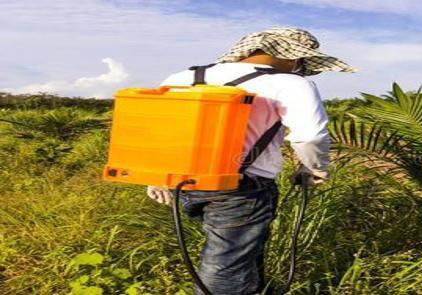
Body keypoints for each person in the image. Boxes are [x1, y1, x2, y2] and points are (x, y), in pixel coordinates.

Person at [145, 27, 356, 295]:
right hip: (242, 188)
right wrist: (314, 168)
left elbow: (158, 131)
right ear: (293, 57)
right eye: (303, 61)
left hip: (182, 183)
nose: (302, 67)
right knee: (226, 266)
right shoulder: (290, 83)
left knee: (242, 252)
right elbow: (310, 136)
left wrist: (155, 176)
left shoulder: (183, 77)